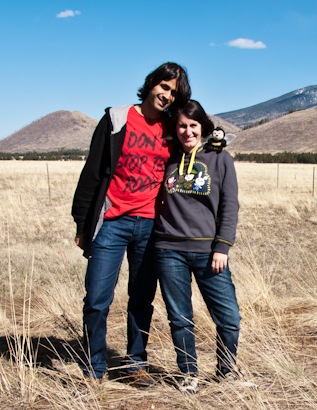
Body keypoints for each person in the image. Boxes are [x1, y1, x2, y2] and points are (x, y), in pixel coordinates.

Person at [71, 62, 191, 385]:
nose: (166, 95)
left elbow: (192, 154)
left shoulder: (170, 129)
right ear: (152, 83)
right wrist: (82, 223)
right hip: (111, 223)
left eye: (173, 93)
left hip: (150, 226)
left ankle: (135, 364)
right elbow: (93, 172)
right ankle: (93, 367)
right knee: (97, 299)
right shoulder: (117, 119)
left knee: (141, 300)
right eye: (164, 87)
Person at [153, 100, 254, 393]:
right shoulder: (167, 157)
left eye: (193, 126)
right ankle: (189, 374)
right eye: (182, 126)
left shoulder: (220, 158)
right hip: (168, 249)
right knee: (180, 317)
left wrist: (222, 246)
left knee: (229, 317)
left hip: (210, 253)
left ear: (203, 127)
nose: (187, 132)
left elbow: (229, 205)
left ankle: (226, 371)